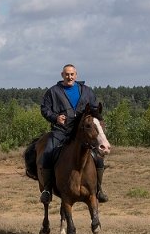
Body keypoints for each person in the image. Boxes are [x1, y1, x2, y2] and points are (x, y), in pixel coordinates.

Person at [39, 64, 108, 204]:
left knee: (99, 158)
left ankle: (99, 189)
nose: (69, 77)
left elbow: (94, 110)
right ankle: (47, 189)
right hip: (61, 131)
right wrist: (55, 118)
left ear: (76, 75)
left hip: (82, 135)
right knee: (47, 153)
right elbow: (44, 109)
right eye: (66, 74)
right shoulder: (53, 92)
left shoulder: (86, 91)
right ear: (62, 75)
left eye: (72, 74)